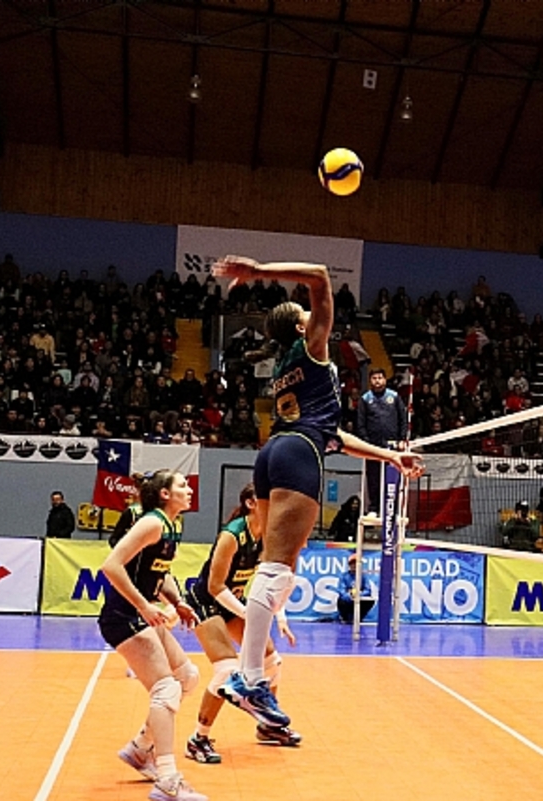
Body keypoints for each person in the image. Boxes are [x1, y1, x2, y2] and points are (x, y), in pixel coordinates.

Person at [210, 256, 423, 733]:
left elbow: (337, 435)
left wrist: (390, 458)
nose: (313, 315)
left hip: (275, 452)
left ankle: (251, 678)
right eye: (304, 312)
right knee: (277, 569)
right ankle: (249, 677)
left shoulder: (286, 367)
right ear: (301, 324)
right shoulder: (312, 349)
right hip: (298, 454)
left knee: (278, 566)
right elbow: (324, 276)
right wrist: (259, 271)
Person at [99, 471, 205, 801]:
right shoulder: (151, 523)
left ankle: (140, 748)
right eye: (182, 486)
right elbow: (111, 566)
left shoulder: (172, 525)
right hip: (123, 616)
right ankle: (167, 780)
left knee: (187, 676)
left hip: (142, 614)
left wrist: (177, 602)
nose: (189, 489)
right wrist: (144, 605)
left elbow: (161, 570)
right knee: (166, 688)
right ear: (163, 494)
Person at [184, 483, 299, 761]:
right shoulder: (232, 535)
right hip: (207, 602)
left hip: (234, 602)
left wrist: (279, 617)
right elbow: (214, 586)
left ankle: (267, 725)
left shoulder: (269, 536)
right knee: (227, 671)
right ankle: (198, 739)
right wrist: (252, 615)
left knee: (272, 662)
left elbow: (275, 581)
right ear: (251, 503)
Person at [357, 368, 407, 516]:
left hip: (392, 446)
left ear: (385, 380)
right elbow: (360, 423)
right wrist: (366, 443)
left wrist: (402, 439)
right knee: (373, 478)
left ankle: (393, 509)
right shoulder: (365, 399)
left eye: (380, 377)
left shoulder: (394, 396)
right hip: (372, 446)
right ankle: (374, 508)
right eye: (374, 378)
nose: (377, 381)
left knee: (392, 477)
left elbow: (402, 419)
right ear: (370, 381)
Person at [337, 553, 375, 624]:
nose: (354, 566)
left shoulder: (363, 576)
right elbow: (341, 590)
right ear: (349, 565)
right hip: (348, 599)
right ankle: (345, 617)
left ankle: (359, 617)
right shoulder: (344, 576)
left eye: (356, 564)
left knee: (370, 601)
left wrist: (359, 594)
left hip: (359, 598)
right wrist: (350, 595)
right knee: (341, 600)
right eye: (352, 563)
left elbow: (368, 590)